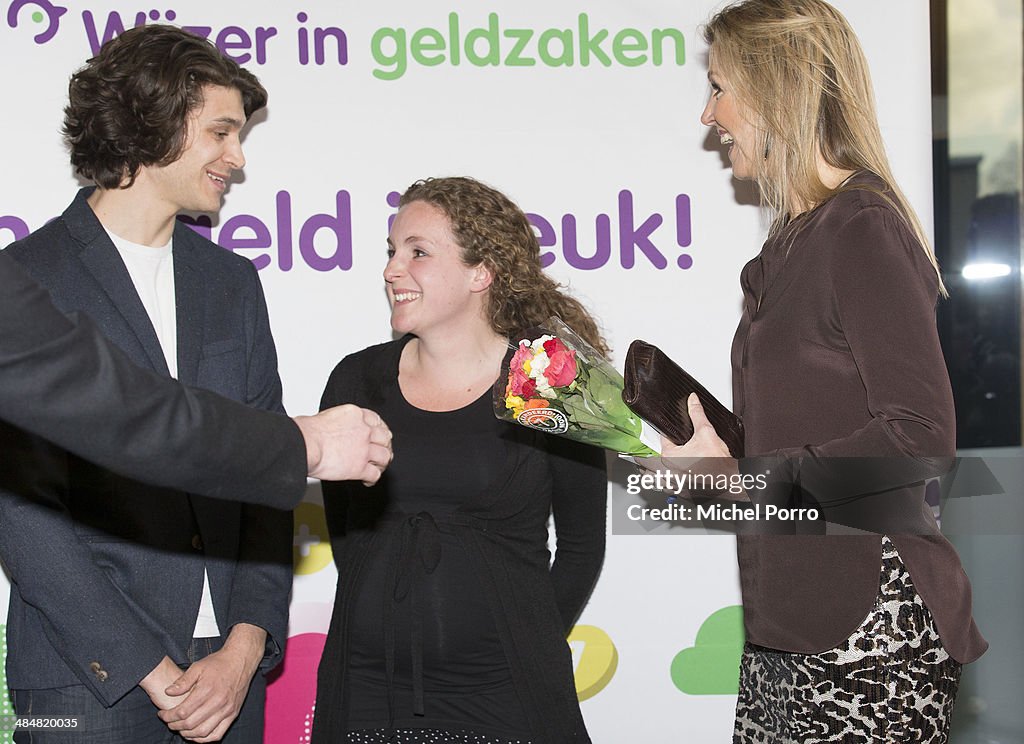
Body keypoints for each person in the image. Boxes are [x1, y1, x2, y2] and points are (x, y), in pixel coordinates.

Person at [657, 1, 988, 741]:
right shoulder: (791, 243)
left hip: (870, 622)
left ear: (777, 90)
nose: (708, 114)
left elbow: (918, 434)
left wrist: (745, 480)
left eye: (718, 87)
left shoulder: (860, 227)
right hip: (787, 616)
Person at [0, 25, 300, 743]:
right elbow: (22, 511)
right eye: (222, 132)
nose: (238, 159)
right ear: (151, 121)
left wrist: (246, 644)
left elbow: (268, 466)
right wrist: (149, 668)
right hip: (85, 680)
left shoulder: (233, 284)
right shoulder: (25, 281)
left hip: (231, 675)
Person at [311, 176, 607, 743]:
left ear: (481, 272)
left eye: (418, 252)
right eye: (392, 251)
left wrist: (524, 639)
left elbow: (580, 547)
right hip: (369, 690)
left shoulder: (550, 384)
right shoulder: (357, 379)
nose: (392, 269)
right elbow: (351, 536)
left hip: (507, 691)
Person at [1, 251, 392, 504]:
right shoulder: (31, 266)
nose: (237, 156)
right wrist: (307, 443)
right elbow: (121, 412)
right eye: (219, 132)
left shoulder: (230, 275)